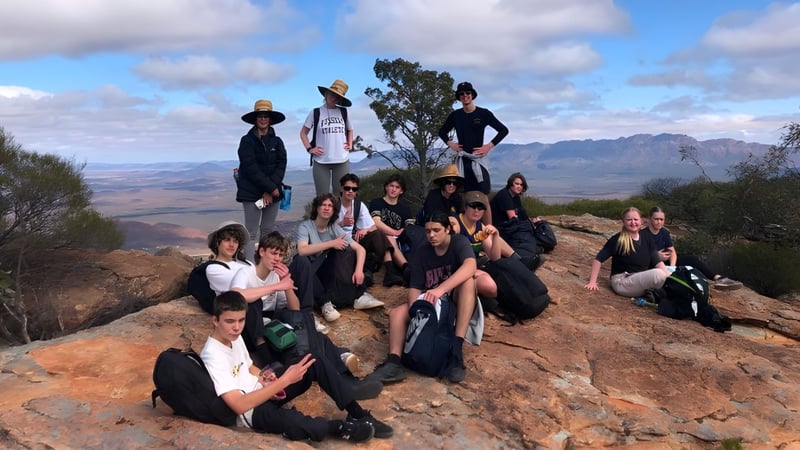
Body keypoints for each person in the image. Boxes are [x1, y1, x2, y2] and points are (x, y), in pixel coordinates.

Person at [200, 291, 393, 443]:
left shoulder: (234, 337)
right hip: (251, 412)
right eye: (230, 321)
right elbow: (238, 404)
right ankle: (339, 428)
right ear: (215, 320)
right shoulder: (213, 354)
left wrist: (267, 377)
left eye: (241, 320)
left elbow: (249, 367)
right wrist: (283, 381)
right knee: (298, 424)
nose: (237, 327)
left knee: (312, 359)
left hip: (265, 391)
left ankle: (357, 413)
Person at [229, 231, 383, 400]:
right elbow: (236, 296)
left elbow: (295, 310)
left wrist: (286, 284)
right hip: (253, 334)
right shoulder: (246, 272)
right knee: (253, 304)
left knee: (310, 333)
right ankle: (333, 366)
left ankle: (347, 380)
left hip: (273, 328)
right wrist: (275, 287)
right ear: (261, 252)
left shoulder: (276, 276)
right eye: (273, 253)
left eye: (280, 255)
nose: (277, 259)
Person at [368, 212, 478, 384]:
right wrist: (416, 310)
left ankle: (456, 352)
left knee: (468, 282)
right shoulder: (423, 252)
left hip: (453, 297)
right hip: (429, 301)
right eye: (428, 231)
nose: (431, 235)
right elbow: (415, 287)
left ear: (448, 229)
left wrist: (440, 290)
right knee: (397, 313)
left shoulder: (459, 243)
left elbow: (471, 266)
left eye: (436, 230)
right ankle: (394, 362)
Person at [297, 193, 385, 322]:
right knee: (302, 261)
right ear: (317, 208)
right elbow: (302, 250)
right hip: (313, 272)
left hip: (329, 271)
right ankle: (324, 303)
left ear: (334, 211)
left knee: (348, 251)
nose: (326, 208)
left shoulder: (334, 227)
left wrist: (359, 270)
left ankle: (357, 296)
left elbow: (360, 249)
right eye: (323, 205)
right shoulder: (306, 226)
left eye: (330, 206)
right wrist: (332, 243)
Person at [236, 99, 288, 262]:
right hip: (251, 193)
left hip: (272, 193)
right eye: (260, 116)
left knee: (267, 230)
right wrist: (269, 188)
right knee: (250, 232)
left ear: (270, 119)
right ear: (255, 118)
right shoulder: (246, 141)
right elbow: (250, 168)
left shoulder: (278, 141)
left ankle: (263, 265)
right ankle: (250, 267)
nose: (263, 119)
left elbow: (281, 165)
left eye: (266, 116)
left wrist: (269, 190)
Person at [438, 81, 508, 195]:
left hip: (477, 160)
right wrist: (451, 144)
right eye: (461, 94)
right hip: (462, 161)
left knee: (483, 192)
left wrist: (488, 147)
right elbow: (442, 132)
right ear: (459, 97)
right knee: (461, 194)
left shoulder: (484, 113)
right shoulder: (455, 116)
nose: (465, 95)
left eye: (467, 93)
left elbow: (503, 130)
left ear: (472, 95)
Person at [645, 207, 742, 289]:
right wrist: (656, 257)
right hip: (652, 265)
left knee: (691, 259)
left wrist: (672, 266)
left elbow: (672, 251)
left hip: (666, 262)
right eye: (656, 219)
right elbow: (640, 256)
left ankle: (716, 278)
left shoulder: (664, 232)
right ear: (650, 219)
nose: (659, 222)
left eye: (661, 219)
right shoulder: (643, 235)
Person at [584, 207, 670, 297]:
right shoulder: (618, 239)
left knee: (668, 275)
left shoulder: (646, 237)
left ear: (641, 221)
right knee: (658, 275)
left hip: (640, 278)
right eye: (629, 220)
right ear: (624, 222)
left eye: (636, 219)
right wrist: (592, 282)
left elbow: (658, 262)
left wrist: (671, 277)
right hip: (622, 281)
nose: (633, 223)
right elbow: (598, 259)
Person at [335, 174, 400, 287]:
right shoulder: (333, 205)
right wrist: (341, 223)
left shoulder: (358, 205)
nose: (351, 191)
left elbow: (373, 226)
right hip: (337, 242)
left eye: (354, 189)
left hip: (354, 241)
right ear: (341, 188)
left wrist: (365, 230)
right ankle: (366, 272)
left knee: (378, 235)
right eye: (347, 188)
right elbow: (323, 228)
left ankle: (387, 271)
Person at [300, 79, 355, 196]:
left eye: (337, 96)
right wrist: (309, 149)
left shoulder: (343, 112)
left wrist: (350, 143)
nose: (334, 97)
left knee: (340, 195)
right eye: (332, 94)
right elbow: (303, 133)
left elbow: (350, 129)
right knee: (322, 197)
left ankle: (338, 215)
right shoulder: (315, 112)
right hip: (321, 161)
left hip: (341, 159)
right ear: (326, 94)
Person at [489, 173, 545, 270]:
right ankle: (527, 258)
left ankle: (531, 249)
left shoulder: (515, 197)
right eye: (517, 184)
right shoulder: (505, 196)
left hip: (508, 226)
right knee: (524, 230)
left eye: (521, 185)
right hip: (500, 228)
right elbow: (513, 218)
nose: (519, 186)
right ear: (511, 184)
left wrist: (532, 220)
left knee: (530, 226)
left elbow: (521, 215)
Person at [369, 174, 414, 285]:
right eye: (391, 186)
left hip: (400, 241)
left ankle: (405, 269)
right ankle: (404, 268)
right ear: (386, 187)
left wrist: (400, 233)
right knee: (387, 236)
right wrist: (393, 232)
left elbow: (410, 228)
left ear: (401, 191)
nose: (393, 189)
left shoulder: (405, 208)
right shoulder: (376, 203)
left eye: (397, 187)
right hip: (379, 239)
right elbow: (376, 222)